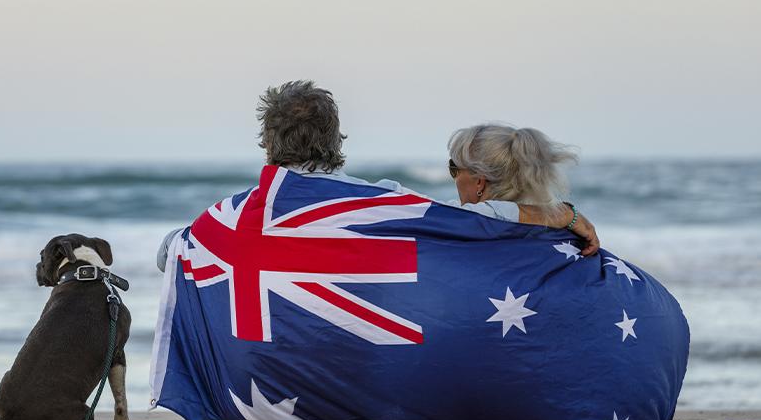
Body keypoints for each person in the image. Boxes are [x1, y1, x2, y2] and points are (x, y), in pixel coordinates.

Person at [157, 81, 598, 270]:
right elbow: (478, 218)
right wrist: (565, 216)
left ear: (267, 143)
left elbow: (168, 255)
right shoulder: (381, 203)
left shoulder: (234, 216)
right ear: (336, 139)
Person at [447, 124, 598, 255]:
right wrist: (564, 215)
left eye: (454, 168)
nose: (454, 177)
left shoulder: (454, 224)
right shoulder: (562, 239)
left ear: (479, 182)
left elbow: (485, 215)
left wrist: (563, 214)